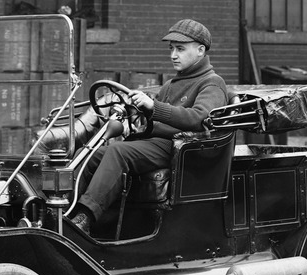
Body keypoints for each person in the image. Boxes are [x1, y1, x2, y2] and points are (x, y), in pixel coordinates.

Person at [70, 19, 229, 235]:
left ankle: (85, 218)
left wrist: (154, 106)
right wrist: (138, 116)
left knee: (118, 152)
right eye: (171, 49)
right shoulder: (170, 85)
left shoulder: (212, 83)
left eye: (180, 49)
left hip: (183, 151)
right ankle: (66, 212)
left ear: (200, 50)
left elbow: (198, 118)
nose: (173, 55)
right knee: (87, 154)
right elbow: (154, 122)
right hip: (157, 145)